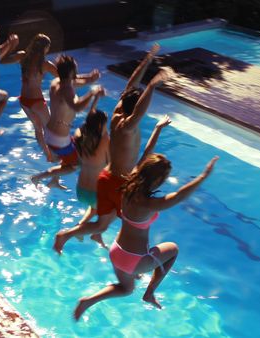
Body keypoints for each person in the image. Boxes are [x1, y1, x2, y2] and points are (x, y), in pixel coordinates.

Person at [53, 44, 173, 252]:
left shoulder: (118, 113)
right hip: (118, 183)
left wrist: (147, 59)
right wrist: (153, 85)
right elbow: (138, 112)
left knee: (103, 222)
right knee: (125, 222)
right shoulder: (128, 127)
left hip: (106, 176)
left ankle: (83, 235)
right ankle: (69, 235)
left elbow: (131, 84)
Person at [73, 152, 219, 319]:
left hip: (116, 251)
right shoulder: (148, 203)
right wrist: (203, 176)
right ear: (157, 181)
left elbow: (143, 161)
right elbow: (179, 196)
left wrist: (157, 131)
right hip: (133, 259)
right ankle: (149, 293)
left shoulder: (127, 187)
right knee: (173, 250)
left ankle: (88, 301)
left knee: (126, 289)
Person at [30, 54, 103, 190]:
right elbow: (77, 107)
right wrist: (92, 93)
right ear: (70, 72)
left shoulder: (56, 82)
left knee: (75, 147)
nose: (77, 72)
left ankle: (54, 181)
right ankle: (38, 177)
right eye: (75, 70)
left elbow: (75, 81)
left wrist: (90, 78)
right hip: (59, 139)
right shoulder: (67, 90)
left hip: (52, 134)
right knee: (76, 164)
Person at [0, 34, 58, 161]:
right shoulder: (46, 64)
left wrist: (11, 47)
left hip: (24, 101)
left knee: (38, 127)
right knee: (51, 131)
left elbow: (2, 60)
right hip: (37, 101)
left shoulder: (22, 56)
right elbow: (63, 78)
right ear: (45, 48)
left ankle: (47, 154)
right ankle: (54, 156)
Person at [70, 96, 109, 227]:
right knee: (105, 211)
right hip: (95, 193)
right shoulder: (104, 142)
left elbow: (88, 121)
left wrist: (96, 99)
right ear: (100, 126)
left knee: (94, 207)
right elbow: (112, 165)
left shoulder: (78, 135)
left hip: (80, 190)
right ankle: (81, 232)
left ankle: (80, 225)